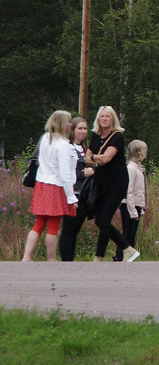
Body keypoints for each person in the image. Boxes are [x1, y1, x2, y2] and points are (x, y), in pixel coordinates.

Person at [85, 106, 140, 262]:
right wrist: (96, 158)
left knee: (104, 219)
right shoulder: (96, 136)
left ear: (113, 119)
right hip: (100, 182)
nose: (104, 119)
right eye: (102, 116)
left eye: (107, 116)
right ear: (98, 119)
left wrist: (94, 158)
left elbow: (106, 158)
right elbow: (87, 158)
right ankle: (127, 249)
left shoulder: (117, 136)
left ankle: (99, 257)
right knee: (100, 220)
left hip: (116, 183)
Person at [22, 110, 78, 262]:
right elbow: (65, 173)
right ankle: (51, 258)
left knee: (39, 223)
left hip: (42, 183)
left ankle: (27, 256)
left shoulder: (46, 138)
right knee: (53, 225)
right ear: (62, 124)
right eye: (68, 122)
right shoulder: (63, 145)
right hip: (55, 185)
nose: (70, 125)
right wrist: (71, 196)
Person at [58, 116, 90, 261]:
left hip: (85, 192)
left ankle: (70, 259)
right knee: (68, 229)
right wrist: (83, 174)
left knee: (75, 229)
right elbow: (65, 171)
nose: (83, 132)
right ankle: (66, 260)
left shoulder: (87, 149)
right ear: (73, 130)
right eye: (80, 128)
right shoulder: (68, 147)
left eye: (85, 129)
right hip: (72, 192)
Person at [114, 140, 147, 262]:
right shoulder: (131, 169)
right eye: (144, 151)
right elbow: (129, 190)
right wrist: (133, 211)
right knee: (127, 232)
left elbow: (141, 191)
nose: (145, 153)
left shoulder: (138, 168)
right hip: (128, 205)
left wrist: (141, 209)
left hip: (136, 204)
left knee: (132, 233)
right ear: (139, 153)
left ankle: (129, 257)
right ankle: (120, 256)